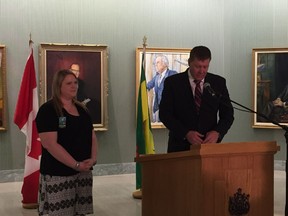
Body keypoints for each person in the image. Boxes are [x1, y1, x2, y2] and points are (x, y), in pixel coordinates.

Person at [35, 69, 98, 215]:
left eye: (75, 82)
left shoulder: (82, 110)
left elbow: (92, 137)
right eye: (69, 83)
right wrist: (75, 164)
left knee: (79, 212)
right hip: (58, 174)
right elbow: (50, 144)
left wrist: (93, 159)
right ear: (58, 86)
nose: (74, 86)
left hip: (83, 173)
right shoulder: (48, 110)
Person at [159, 46, 234, 152]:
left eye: (205, 67)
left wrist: (217, 132)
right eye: (198, 66)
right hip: (180, 147)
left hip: (209, 147)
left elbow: (228, 115)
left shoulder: (218, 83)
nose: (201, 71)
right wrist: (185, 133)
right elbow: (164, 114)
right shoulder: (173, 83)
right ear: (189, 62)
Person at [146, 54, 177, 122]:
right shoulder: (157, 76)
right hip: (159, 109)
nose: (155, 65)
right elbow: (148, 86)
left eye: (157, 62)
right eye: (155, 63)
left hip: (171, 109)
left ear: (164, 64)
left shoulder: (173, 74)